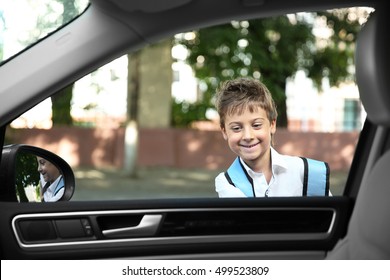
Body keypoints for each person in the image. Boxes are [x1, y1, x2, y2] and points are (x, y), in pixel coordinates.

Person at [214, 77, 330, 197]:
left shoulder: (308, 172)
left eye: (257, 125)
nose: (248, 136)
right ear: (224, 131)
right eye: (236, 128)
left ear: (272, 124)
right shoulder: (227, 183)